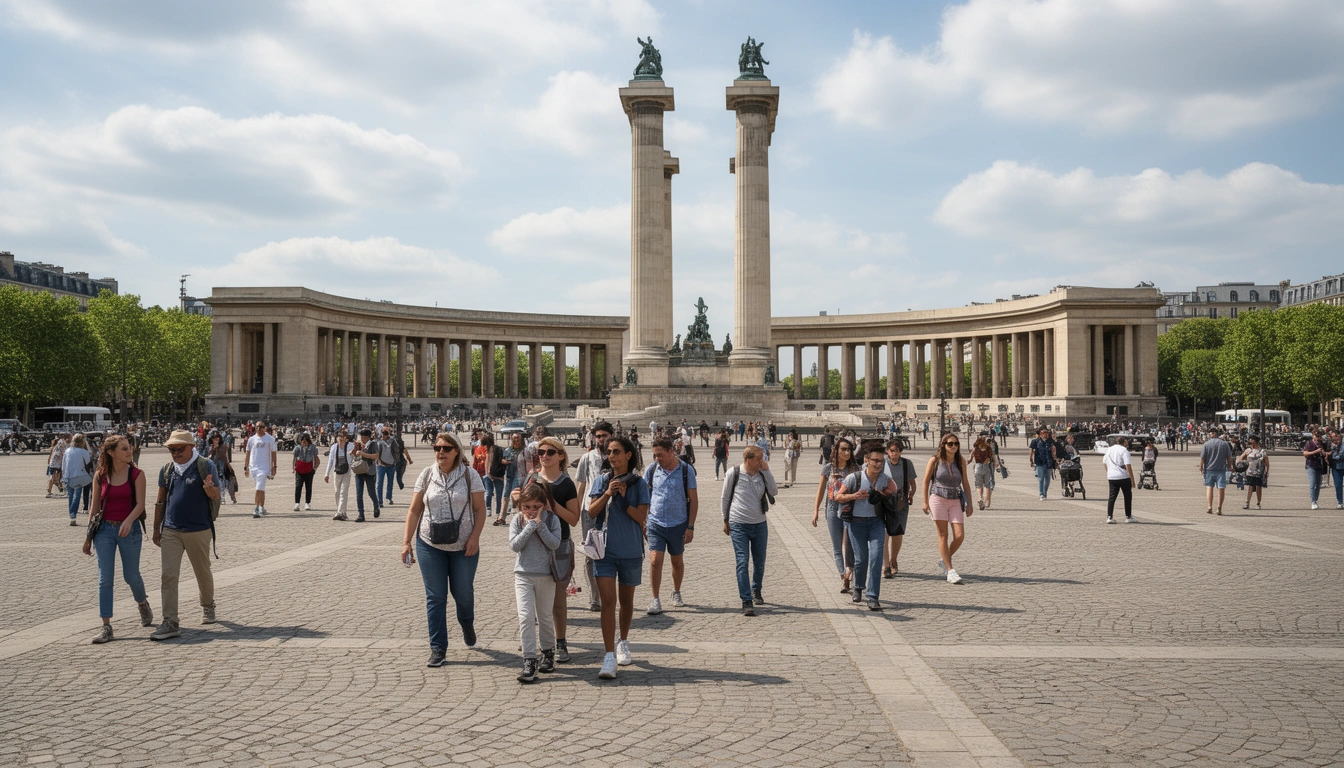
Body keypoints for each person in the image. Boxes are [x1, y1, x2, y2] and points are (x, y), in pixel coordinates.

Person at [402, 433, 486, 668]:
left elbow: (480, 510)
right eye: (437, 447)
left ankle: (466, 622)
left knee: (463, 594)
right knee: (435, 597)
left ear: (457, 450)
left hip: (463, 545)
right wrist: (406, 541)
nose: (441, 452)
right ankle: (438, 647)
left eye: (446, 448)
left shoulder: (471, 476)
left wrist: (475, 538)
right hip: (430, 544)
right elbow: (414, 510)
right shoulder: (427, 474)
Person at [511, 436, 580, 662]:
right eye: (541, 452)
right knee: (531, 600)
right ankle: (532, 641)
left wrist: (553, 507)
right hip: (532, 543)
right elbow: (524, 508)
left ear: (560, 455)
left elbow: (573, 518)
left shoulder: (567, 483)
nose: (545, 456)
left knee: (558, 598)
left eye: (550, 452)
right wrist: (516, 500)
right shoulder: (532, 477)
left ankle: (560, 642)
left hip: (558, 542)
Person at [586, 436, 649, 680]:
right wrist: (608, 494)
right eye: (609, 452)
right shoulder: (602, 480)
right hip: (604, 550)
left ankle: (623, 640)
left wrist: (623, 500)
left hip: (631, 549)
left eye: (616, 452)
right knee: (608, 602)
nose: (611, 456)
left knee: (626, 601)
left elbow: (641, 516)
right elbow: (591, 511)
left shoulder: (639, 483)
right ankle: (609, 655)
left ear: (628, 455)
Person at [150, 430, 222, 640]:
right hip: (171, 530)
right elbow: (160, 500)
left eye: (179, 449)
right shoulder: (167, 470)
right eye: (172, 450)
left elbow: (216, 495)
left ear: (191, 447)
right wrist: (156, 527)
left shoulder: (205, 465)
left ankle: (208, 605)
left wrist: (209, 489)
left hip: (198, 528)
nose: (175, 453)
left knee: (202, 571)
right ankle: (170, 621)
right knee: (168, 575)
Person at [82, 435, 153, 643]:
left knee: (131, 576)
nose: (129, 451)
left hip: (129, 530)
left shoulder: (137, 474)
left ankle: (142, 602)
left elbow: (140, 504)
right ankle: (106, 626)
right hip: (104, 530)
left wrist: (129, 521)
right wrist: (88, 537)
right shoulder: (100, 475)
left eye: (129, 447)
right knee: (105, 579)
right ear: (111, 452)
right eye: (123, 449)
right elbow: (94, 509)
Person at [509, 482, 562, 683]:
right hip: (523, 574)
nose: (530, 511)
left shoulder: (552, 520)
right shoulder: (517, 520)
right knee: (525, 617)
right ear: (520, 505)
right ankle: (529, 659)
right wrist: (530, 525)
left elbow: (554, 544)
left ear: (544, 504)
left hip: (546, 575)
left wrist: (540, 524)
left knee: (545, 616)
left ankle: (548, 651)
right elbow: (515, 546)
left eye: (535, 507)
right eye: (526, 506)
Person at [835, 442, 897, 609]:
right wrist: (854, 496)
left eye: (881, 461)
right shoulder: (854, 478)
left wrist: (884, 495)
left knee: (876, 559)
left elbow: (896, 494)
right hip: (856, 522)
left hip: (876, 522)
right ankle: (858, 587)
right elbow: (838, 496)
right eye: (875, 460)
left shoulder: (885, 479)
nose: (878, 464)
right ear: (866, 460)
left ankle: (872, 596)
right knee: (861, 559)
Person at [643, 437, 698, 615]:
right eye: (654, 455)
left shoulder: (685, 470)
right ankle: (655, 599)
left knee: (677, 561)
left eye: (660, 455)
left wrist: (690, 527)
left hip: (678, 523)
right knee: (654, 560)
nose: (657, 458)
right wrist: (643, 521)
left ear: (671, 452)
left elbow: (694, 500)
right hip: (656, 522)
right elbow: (644, 497)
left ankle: (676, 591)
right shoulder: (652, 470)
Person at [721, 445, 777, 615]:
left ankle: (756, 589)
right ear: (748, 459)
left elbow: (774, 491)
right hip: (739, 523)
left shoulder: (762, 472)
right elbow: (725, 497)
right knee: (742, 560)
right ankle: (746, 600)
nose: (762, 461)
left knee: (759, 561)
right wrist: (725, 520)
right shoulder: (734, 473)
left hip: (759, 523)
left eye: (763, 458)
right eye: (759, 459)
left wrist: (767, 472)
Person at [921, 433, 974, 585]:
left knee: (959, 535)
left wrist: (969, 503)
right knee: (943, 534)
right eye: (950, 444)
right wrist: (925, 502)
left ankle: (944, 560)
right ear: (943, 445)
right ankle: (950, 570)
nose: (954, 446)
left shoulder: (960, 461)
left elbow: (965, 482)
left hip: (955, 499)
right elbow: (925, 482)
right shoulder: (935, 460)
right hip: (937, 499)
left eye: (956, 443)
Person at [574, 421, 613, 613]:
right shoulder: (587, 458)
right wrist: (576, 509)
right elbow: (581, 485)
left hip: (613, 511)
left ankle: (609, 594)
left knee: (611, 552)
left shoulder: (619, 457)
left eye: (605, 435)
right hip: (589, 511)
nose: (601, 439)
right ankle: (594, 597)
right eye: (598, 436)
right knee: (591, 553)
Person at [812, 437, 858, 594]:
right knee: (837, 546)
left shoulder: (855, 468)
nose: (846, 452)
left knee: (850, 545)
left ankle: (849, 570)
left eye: (849, 449)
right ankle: (844, 577)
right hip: (832, 509)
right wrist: (816, 510)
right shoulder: (828, 468)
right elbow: (821, 490)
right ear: (836, 451)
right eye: (843, 449)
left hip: (850, 509)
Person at [881, 439, 917, 578]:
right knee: (885, 533)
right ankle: (886, 566)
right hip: (885, 500)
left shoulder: (906, 464)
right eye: (892, 450)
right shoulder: (883, 463)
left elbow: (912, 483)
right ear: (887, 451)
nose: (894, 453)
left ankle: (893, 559)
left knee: (897, 533)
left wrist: (911, 494)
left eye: (897, 450)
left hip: (900, 501)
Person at [243, 421, 277, 518]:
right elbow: (248, 453)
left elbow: (274, 453)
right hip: (253, 467)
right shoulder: (251, 439)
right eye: (257, 427)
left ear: (265, 428)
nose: (259, 429)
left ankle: (256, 508)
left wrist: (274, 467)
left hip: (264, 467)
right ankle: (262, 506)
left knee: (258, 487)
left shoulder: (270, 439)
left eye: (261, 427)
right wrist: (246, 467)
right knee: (260, 488)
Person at [61, 433, 94, 526]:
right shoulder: (84, 452)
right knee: (77, 495)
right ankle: (73, 514)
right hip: (80, 475)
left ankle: (72, 516)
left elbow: (63, 464)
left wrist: (63, 475)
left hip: (68, 475)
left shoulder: (67, 451)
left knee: (70, 496)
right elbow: (88, 463)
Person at [1199, 432, 1234, 515]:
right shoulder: (1225, 444)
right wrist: (1231, 466)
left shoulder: (1207, 444)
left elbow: (1202, 457)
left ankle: (1209, 506)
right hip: (1221, 469)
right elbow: (1228, 456)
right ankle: (1219, 508)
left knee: (1209, 487)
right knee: (1221, 488)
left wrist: (1201, 467)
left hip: (1209, 469)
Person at [1102, 438, 1135, 523]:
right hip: (1123, 476)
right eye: (1126, 442)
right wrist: (1132, 479)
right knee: (1127, 496)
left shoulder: (1109, 449)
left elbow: (1104, 462)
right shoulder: (1124, 451)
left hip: (1112, 477)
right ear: (1123, 442)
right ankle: (1128, 516)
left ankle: (1109, 516)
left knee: (1112, 497)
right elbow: (1128, 465)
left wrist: (1109, 471)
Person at [353, 428, 382, 521]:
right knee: (359, 493)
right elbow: (355, 455)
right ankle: (361, 514)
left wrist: (363, 453)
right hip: (359, 469)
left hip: (370, 470)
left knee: (371, 492)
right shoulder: (358, 444)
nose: (363, 439)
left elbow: (376, 456)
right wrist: (355, 450)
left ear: (369, 437)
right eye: (362, 437)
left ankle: (376, 505)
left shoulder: (373, 444)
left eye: (365, 437)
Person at [324, 430, 353, 520]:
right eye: (339, 437)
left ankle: (340, 512)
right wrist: (327, 473)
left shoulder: (350, 446)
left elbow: (354, 457)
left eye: (342, 437)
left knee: (343, 491)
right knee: (337, 492)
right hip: (337, 471)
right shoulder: (334, 447)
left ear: (346, 439)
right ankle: (341, 511)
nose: (340, 439)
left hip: (347, 471)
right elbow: (331, 461)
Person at [476, 434, 505, 525]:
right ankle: (496, 511)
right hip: (495, 475)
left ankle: (492, 510)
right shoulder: (493, 449)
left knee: (490, 493)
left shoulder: (491, 450)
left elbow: (487, 464)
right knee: (497, 494)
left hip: (490, 474)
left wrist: (486, 473)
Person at [205, 432, 237, 504]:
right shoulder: (209, 447)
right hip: (213, 465)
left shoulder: (223, 446)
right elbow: (206, 455)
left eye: (217, 438)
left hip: (222, 465)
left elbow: (224, 457)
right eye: (214, 438)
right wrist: (213, 448)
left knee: (224, 481)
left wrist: (228, 465)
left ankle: (225, 497)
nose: (215, 439)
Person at [1239, 435, 1269, 510]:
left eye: (1251, 439)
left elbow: (1267, 463)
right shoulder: (1248, 450)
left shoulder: (1262, 451)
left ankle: (1258, 503)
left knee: (1259, 487)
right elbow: (1240, 458)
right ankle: (1247, 502)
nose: (1250, 441)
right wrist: (1242, 464)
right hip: (1250, 471)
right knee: (1250, 487)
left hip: (1259, 472)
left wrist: (1266, 471)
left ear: (1255, 441)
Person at [1027, 427, 1057, 500]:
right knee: (1041, 478)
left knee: (1048, 480)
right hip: (1039, 462)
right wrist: (1031, 460)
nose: (1046, 434)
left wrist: (1055, 459)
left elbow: (1054, 450)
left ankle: (1045, 492)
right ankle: (1041, 494)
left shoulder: (1050, 441)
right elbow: (1031, 451)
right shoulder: (1035, 441)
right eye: (1044, 433)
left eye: (1047, 433)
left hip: (1048, 462)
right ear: (1040, 434)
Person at [292, 432, 319, 511]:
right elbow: (294, 458)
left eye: (305, 441)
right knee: (298, 486)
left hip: (309, 468)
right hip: (300, 468)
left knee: (308, 486)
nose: (304, 443)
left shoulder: (312, 447)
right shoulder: (297, 448)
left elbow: (315, 457)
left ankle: (307, 502)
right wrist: (293, 468)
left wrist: (315, 468)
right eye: (302, 441)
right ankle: (297, 503)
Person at [1304, 429, 1329, 510]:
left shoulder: (1322, 444)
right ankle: (1313, 501)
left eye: (1318, 436)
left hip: (1320, 465)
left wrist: (1324, 453)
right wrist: (1315, 451)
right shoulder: (1309, 443)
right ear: (1312, 436)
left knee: (1318, 485)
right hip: (1311, 465)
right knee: (1312, 484)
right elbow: (1305, 454)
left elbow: (1326, 453)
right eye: (1315, 436)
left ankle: (1316, 500)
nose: (1317, 438)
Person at [970, 436, 996, 511]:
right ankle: (986, 501)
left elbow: (970, 458)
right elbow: (993, 457)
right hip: (986, 467)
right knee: (987, 485)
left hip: (977, 467)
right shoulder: (988, 449)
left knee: (978, 486)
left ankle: (980, 498)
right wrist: (995, 466)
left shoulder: (976, 449)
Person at [46, 433, 67, 498]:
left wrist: (49, 460)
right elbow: (61, 457)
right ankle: (49, 491)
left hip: (53, 464)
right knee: (53, 478)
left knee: (55, 478)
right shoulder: (61, 448)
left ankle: (57, 486)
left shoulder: (55, 447)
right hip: (55, 464)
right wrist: (61, 466)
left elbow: (52, 454)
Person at [1327, 428, 1344, 511]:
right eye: (1333, 437)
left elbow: (1341, 454)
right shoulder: (1330, 443)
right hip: (1335, 467)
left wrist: (1335, 448)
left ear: (1339, 435)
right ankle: (1339, 502)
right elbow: (1328, 452)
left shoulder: (1343, 443)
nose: (1334, 438)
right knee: (1338, 485)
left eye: (1336, 436)